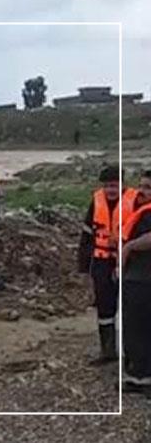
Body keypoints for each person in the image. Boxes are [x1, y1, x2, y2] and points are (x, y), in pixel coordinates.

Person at [77, 165, 121, 365]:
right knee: (104, 307)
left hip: (126, 261)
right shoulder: (96, 202)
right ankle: (108, 350)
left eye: (115, 185)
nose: (111, 190)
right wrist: (83, 267)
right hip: (101, 262)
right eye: (108, 186)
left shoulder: (133, 201)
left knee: (130, 307)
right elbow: (86, 236)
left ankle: (133, 353)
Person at [121, 169, 151, 395]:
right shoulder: (139, 209)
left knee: (143, 327)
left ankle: (146, 378)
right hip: (135, 275)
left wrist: (130, 247)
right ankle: (136, 376)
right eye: (141, 186)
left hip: (145, 277)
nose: (142, 191)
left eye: (148, 187)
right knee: (133, 328)